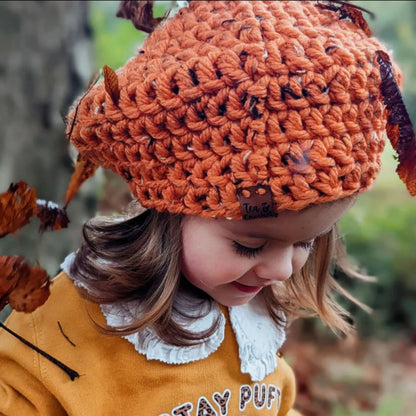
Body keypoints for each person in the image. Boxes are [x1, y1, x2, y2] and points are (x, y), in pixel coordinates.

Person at [0, 1, 413, 415]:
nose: (283, 270)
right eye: (250, 246)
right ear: (170, 208)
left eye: (307, 242)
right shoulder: (58, 331)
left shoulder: (249, 310)